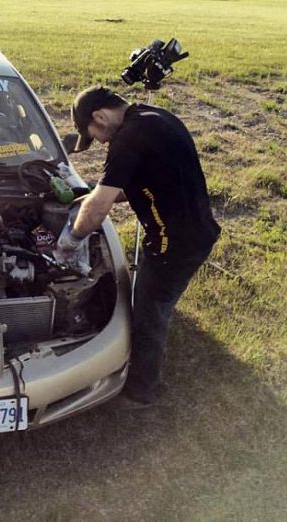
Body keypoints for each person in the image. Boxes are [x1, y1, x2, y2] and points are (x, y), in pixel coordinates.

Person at [55, 85, 221, 406]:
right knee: (153, 302)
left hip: (175, 246)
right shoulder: (154, 118)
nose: (101, 142)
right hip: (195, 231)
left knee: (148, 312)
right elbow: (138, 184)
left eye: (95, 135)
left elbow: (100, 208)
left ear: (100, 116)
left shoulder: (127, 139)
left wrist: (69, 241)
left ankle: (140, 391)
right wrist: (94, 194)